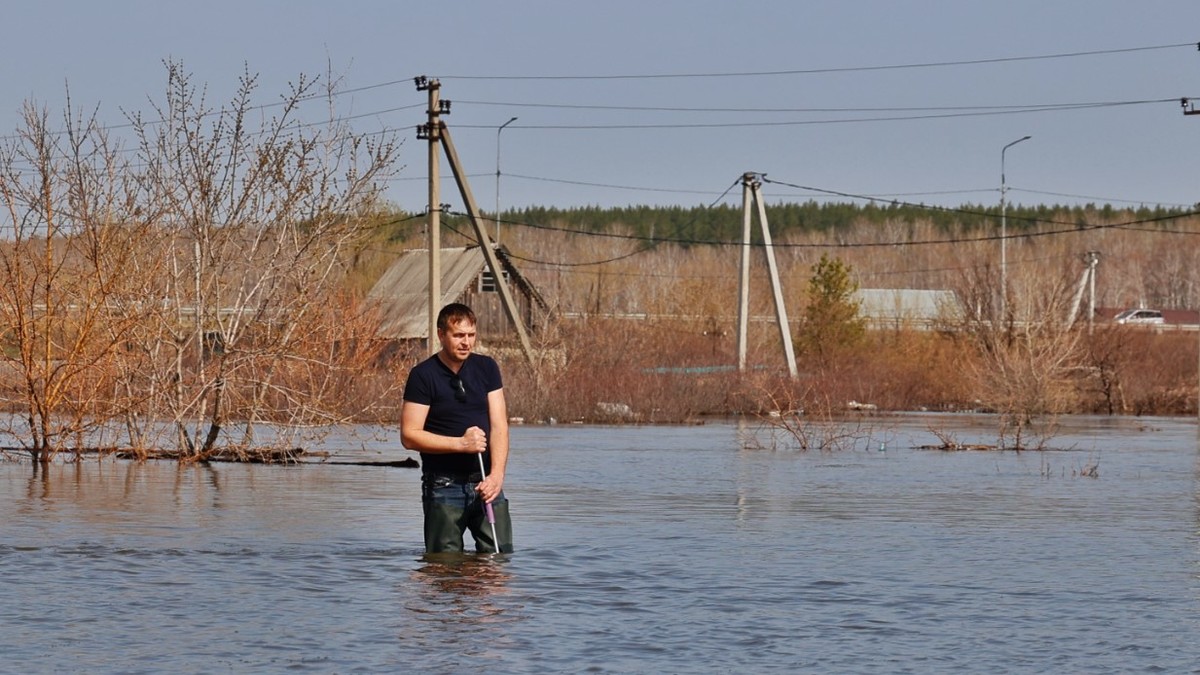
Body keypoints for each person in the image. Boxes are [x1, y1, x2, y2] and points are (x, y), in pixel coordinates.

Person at [401, 303, 513, 554]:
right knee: (444, 571)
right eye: (458, 335)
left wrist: (497, 476)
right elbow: (409, 436)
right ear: (442, 335)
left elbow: (499, 426)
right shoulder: (423, 375)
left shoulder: (487, 368)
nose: (466, 342)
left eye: (471, 335)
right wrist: (460, 444)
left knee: (499, 562)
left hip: (486, 484)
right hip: (443, 486)